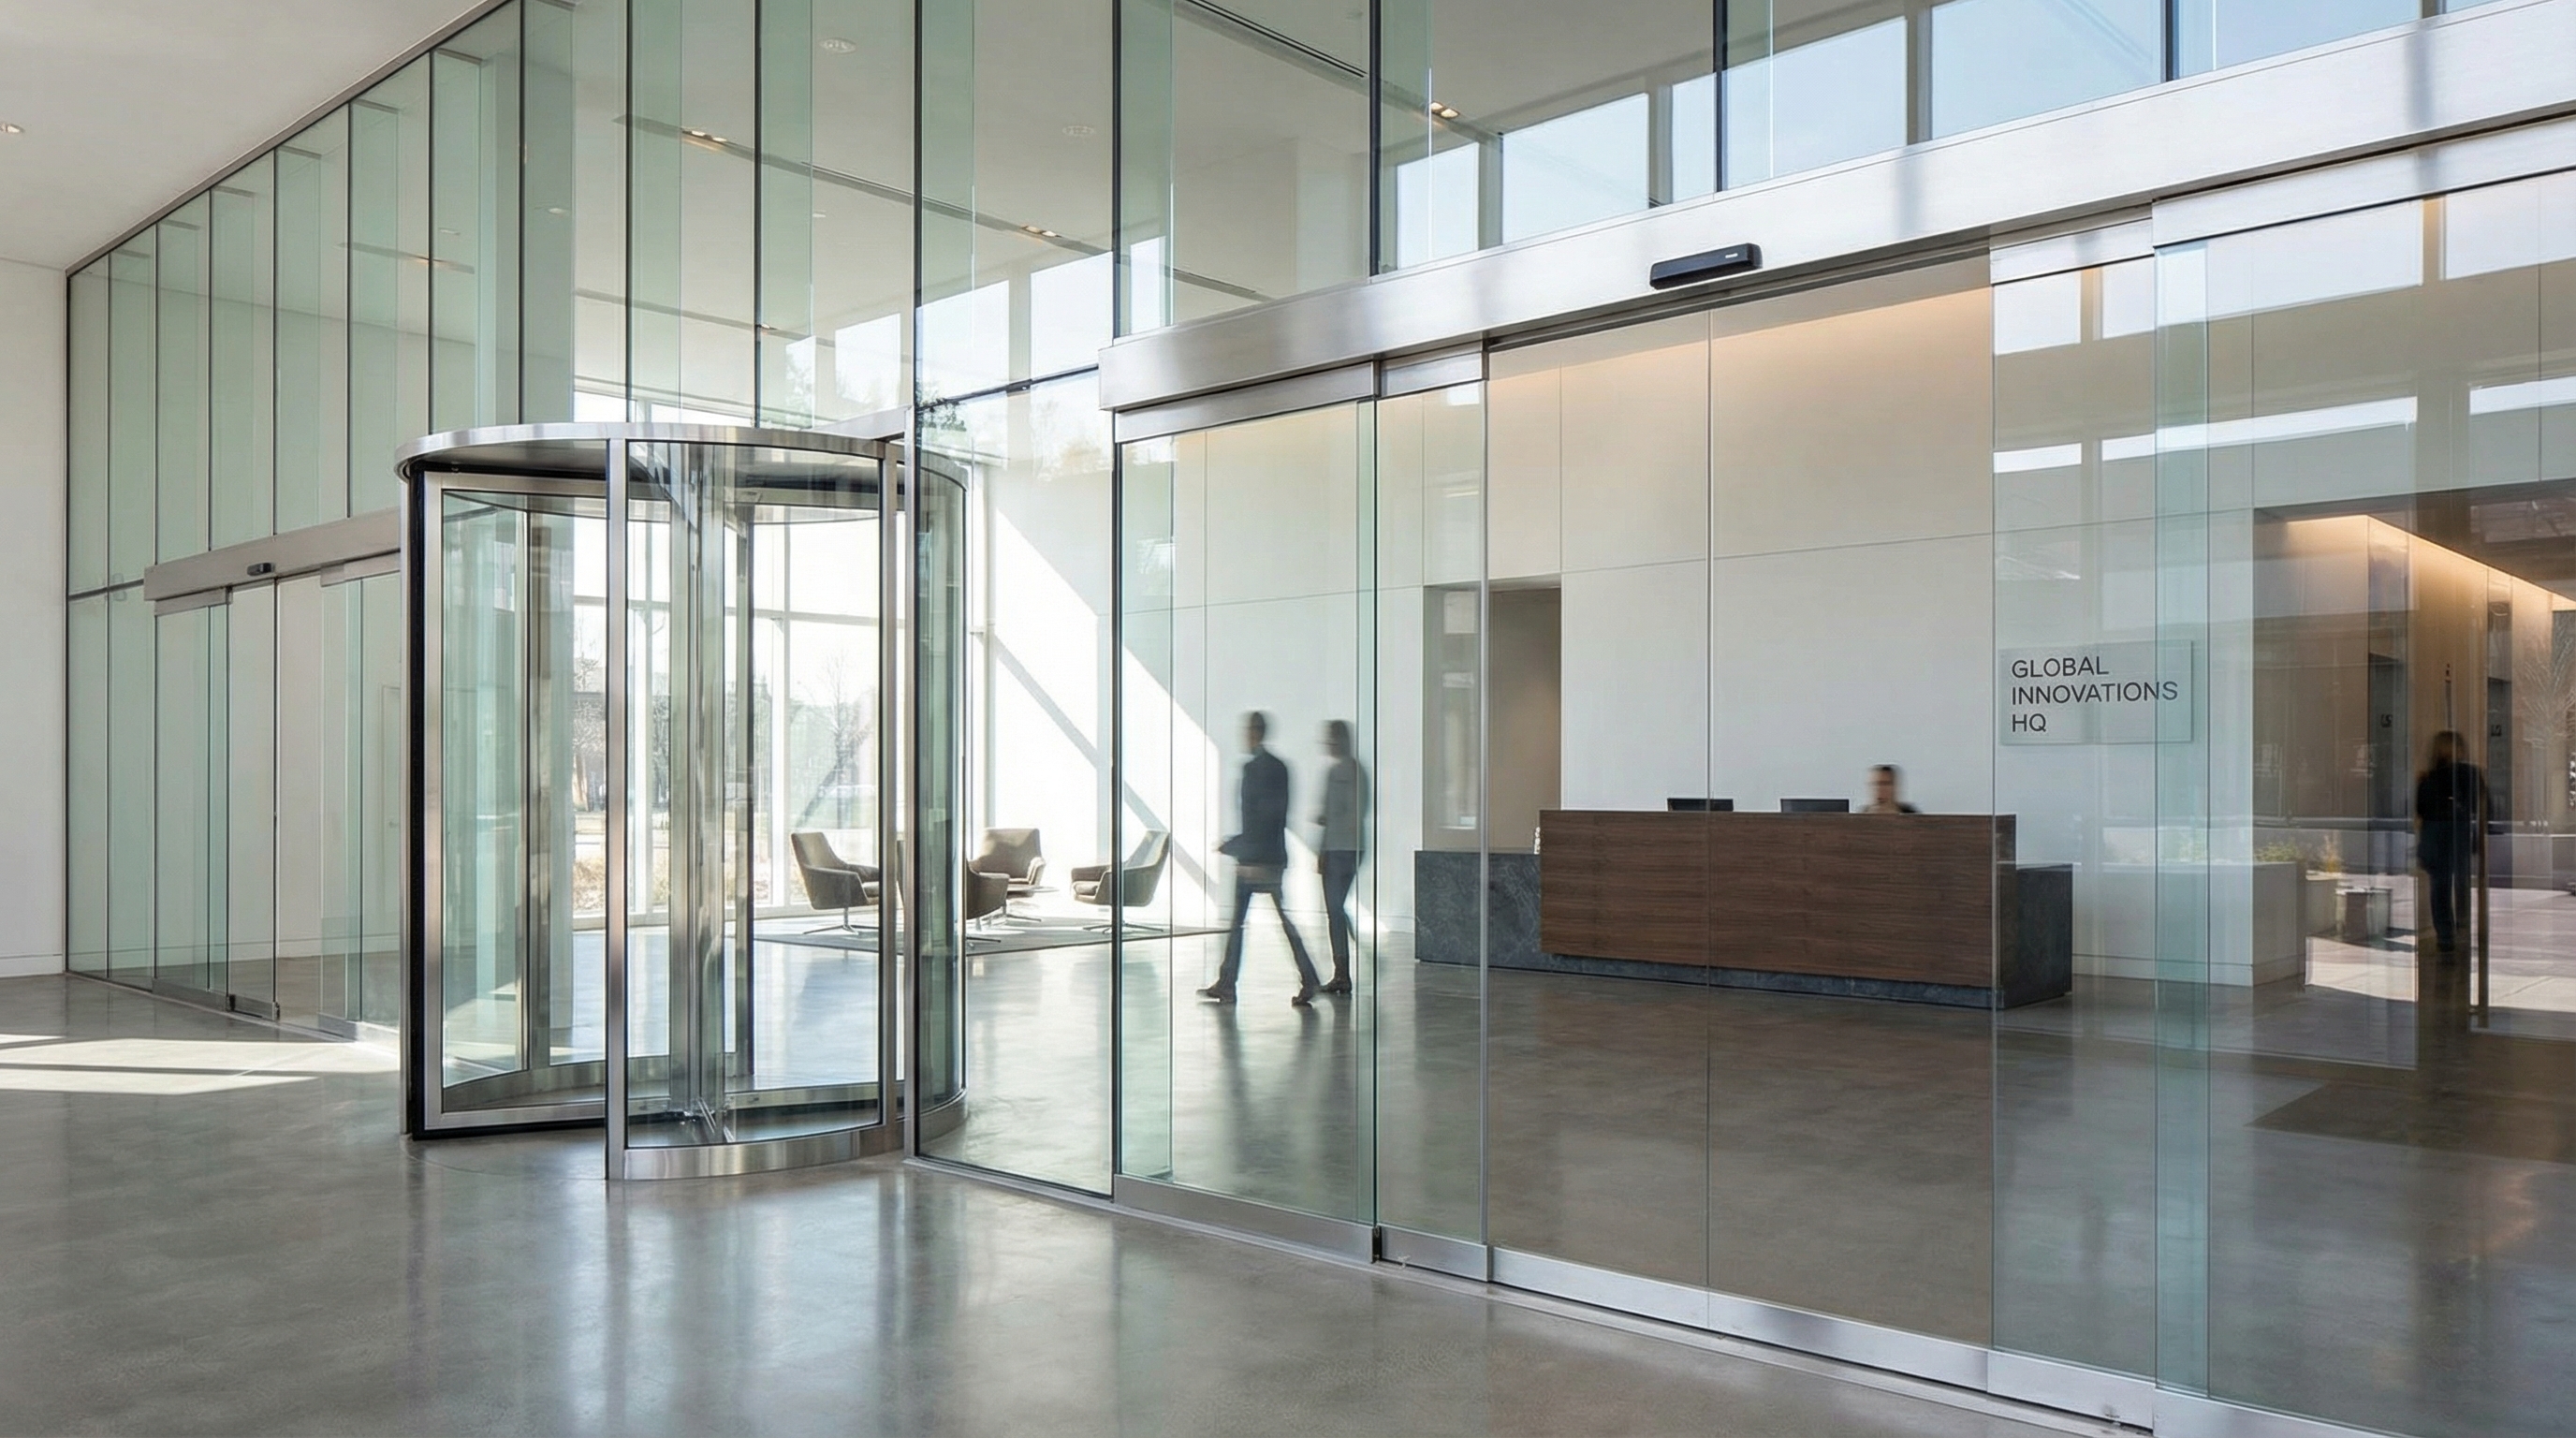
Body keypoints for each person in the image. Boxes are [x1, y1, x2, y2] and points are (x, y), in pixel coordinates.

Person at [1200, 712, 1323, 1006]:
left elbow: (1257, 817)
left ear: (1255, 732)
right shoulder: (1280, 767)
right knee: (1278, 920)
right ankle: (1307, 978)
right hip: (1271, 855)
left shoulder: (1255, 769)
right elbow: (1275, 816)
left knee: (1241, 924)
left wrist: (1237, 846)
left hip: (1255, 860)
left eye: (1247, 730)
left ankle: (1230, 984)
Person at [2415, 729, 2488, 956]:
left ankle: (2448, 935)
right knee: (2455, 881)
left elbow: (2422, 808)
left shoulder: (2436, 777)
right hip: (2452, 830)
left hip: (2441, 831)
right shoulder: (2465, 774)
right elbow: (2482, 804)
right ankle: (2457, 929)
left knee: (2444, 884)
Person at [1314, 720, 1368, 996]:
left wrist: (1324, 850)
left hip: (1340, 849)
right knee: (1336, 909)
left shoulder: (1339, 772)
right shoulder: (1356, 771)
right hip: (1351, 847)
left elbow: (1335, 816)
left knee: (1334, 911)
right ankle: (1344, 967)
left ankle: (1342, 973)